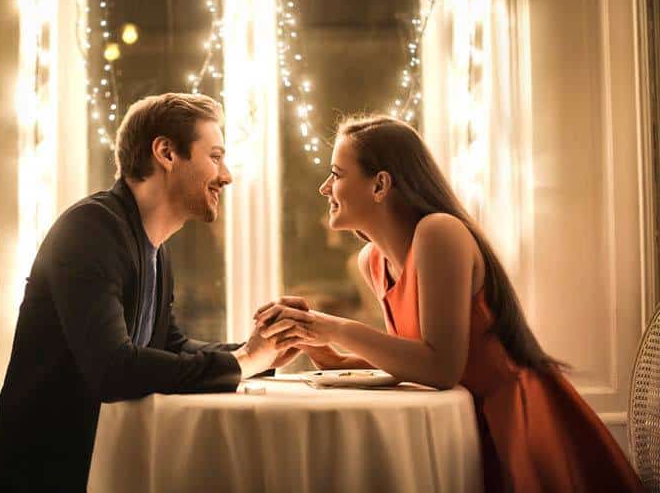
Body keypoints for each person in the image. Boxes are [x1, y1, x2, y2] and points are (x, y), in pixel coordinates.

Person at [255, 115, 644, 492]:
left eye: (337, 174)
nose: (325, 188)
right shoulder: (373, 261)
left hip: (516, 424)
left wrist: (337, 328)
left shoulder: (439, 232)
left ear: (380, 185)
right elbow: (414, 360)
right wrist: (331, 356)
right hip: (465, 420)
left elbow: (441, 366)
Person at [0, 93, 298, 492]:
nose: (227, 175)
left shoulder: (152, 247)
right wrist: (243, 361)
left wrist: (266, 351)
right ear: (166, 152)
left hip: (102, 462)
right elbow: (113, 369)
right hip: (52, 475)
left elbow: (170, 344)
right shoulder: (90, 230)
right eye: (215, 156)